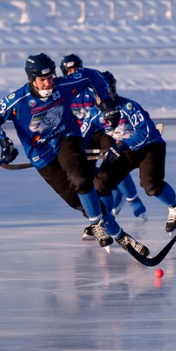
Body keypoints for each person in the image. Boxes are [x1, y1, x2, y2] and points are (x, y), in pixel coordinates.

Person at [0, 53, 148, 256]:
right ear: (31, 79)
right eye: (42, 80)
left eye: (50, 77)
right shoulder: (19, 100)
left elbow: (93, 76)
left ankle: (99, 226)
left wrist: (106, 105)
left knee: (81, 178)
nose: (47, 83)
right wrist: (3, 139)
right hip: (41, 154)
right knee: (77, 201)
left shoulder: (63, 85)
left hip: (67, 138)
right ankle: (119, 234)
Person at [84, 70, 176, 236]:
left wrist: (122, 146)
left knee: (150, 185)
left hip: (150, 147)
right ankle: (106, 219)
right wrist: (70, 153)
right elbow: (81, 137)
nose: (108, 95)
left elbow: (145, 132)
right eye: (103, 91)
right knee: (100, 182)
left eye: (110, 89)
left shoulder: (128, 107)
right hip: (124, 150)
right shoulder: (94, 115)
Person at [60, 53, 148, 225]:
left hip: (102, 130)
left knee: (113, 159)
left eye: (76, 69)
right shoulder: (64, 94)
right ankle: (102, 214)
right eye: (70, 70)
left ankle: (133, 199)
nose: (73, 73)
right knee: (84, 172)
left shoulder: (90, 88)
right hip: (81, 134)